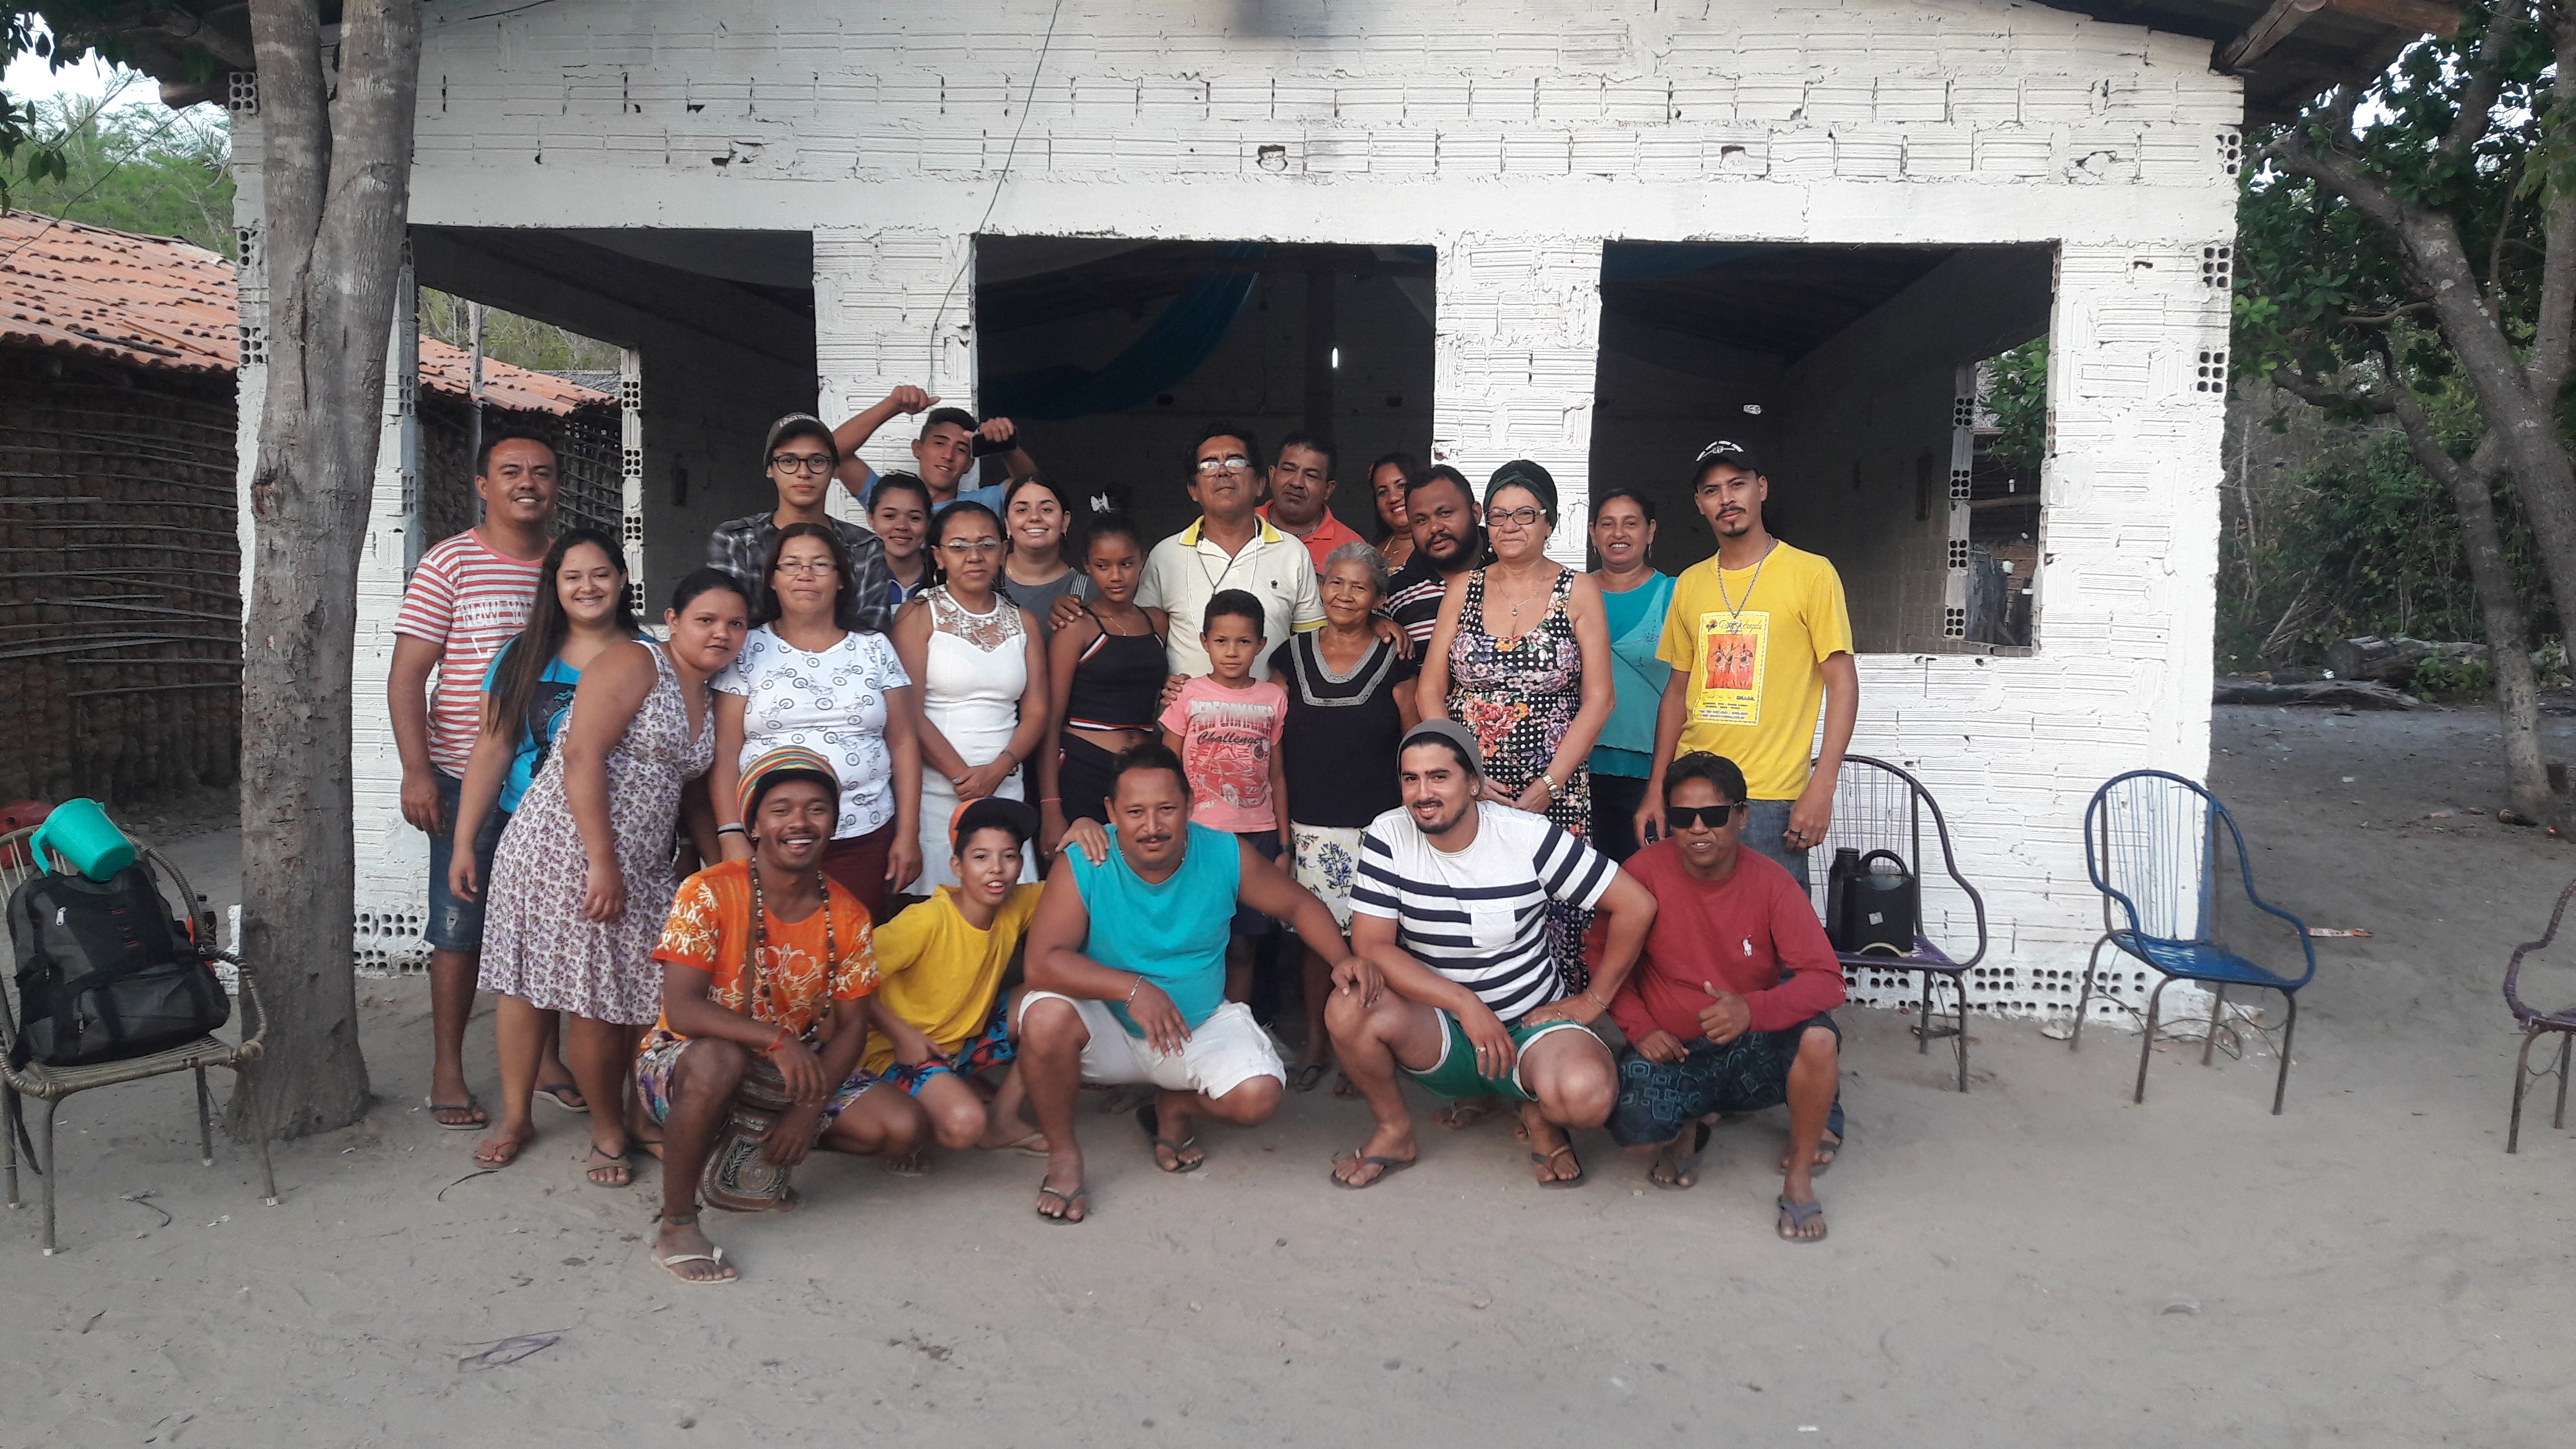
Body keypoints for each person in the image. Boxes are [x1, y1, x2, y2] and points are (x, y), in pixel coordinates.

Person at [470, 570, 749, 1181]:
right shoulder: (636, 662)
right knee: (593, 1001)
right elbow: (581, 753)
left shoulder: (708, 693)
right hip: (567, 850)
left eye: (735, 624)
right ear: (672, 621)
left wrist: (724, 873)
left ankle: (638, 1116)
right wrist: (601, 861)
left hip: (644, 863)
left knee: (645, 998)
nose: (721, 634)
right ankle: (605, 1132)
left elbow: (692, 793)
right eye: (706, 620)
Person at [1016, 743, 1355, 1222]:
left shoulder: (1222, 853)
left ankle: (1174, 1108)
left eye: (1166, 809)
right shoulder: (1086, 859)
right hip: (1107, 1029)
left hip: (1195, 1027)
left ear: (1191, 805)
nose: (1152, 826)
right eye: (1135, 812)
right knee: (1043, 1016)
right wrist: (1133, 989)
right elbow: (1042, 963)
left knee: (1257, 1096)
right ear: (1111, 811)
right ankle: (1065, 1157)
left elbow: (1298, 904)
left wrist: (1341, 960)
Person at [1324, 721, 1656, 1189]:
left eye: (1439, 777)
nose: (1423, 793)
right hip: (1440, 1028)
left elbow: (1636, 905)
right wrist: (1464, 1004)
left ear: (1475, 784)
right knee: (1348, 1004)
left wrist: (1592, 1002)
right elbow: (1372, 946)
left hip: (1529, 1026)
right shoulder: (1389, 833)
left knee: (1586, 1098)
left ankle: (1536, 1109)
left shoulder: (1525, 836)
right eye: (1411, 779)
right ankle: (1395, 1131)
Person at [641, 750, 925, 1284]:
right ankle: (677, 1223)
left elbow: (853, 1026)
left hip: (788, 1066)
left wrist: (806, 1111)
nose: (800, 822)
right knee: (719, 1062)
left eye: (817, 809)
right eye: (781, 810)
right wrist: (776, 1039)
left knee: (902, 1127)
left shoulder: (848, 915)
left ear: (834, 823)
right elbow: (683, 1009)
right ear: (754, 826)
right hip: (687, 1058)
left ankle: (746, 1147)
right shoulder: (708, 891)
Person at [1598, 752, 1842, 1241]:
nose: (1697, 829)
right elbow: (1602, 957)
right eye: (1683, 817)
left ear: (1742, 816)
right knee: (1636, 1138)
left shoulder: (1771, 882)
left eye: (1713, 815)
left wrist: (1752, 1009)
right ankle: (1694, 1123)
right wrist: (1640, 1028)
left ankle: (1798, 1181)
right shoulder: (1643, 872)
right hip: (1674, 1049)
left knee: (1819, 1039)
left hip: (1750, 1046)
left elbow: (1827, 980)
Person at [389, 432, 558, 1133]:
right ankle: (448, 1068)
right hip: (465, 777)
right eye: (511, 471)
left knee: (547, 923)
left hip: (548, 782)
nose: (528, 483)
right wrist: (416, 771)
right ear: (483, 486)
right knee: (459, 928)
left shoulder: (565, 565)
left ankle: (547, 1061)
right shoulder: (450, 563)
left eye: (541, 473)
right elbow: (408, 676)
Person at [444, 528, 642, 1120]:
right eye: (572, 576)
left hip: (620, 841)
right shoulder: (523, 654)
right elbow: (492, 747)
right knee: (527, 971)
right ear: (553, 586)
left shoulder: (648, 654)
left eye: (601, 574)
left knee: (606, 976)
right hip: (530, 834)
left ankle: (619, 1112)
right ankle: (524, 1105)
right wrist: (463, 843)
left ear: (623, 579)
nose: (588, 587)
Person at [1418, 459, 1616, 992]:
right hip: (1469, 785)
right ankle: (1470, 1013)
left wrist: (1548, 784)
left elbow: (1600, 699)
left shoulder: (1578, 590)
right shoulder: (1464, 588)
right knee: (1471, 900)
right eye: (1499, 515)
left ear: (1549, 522)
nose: (1510, 526)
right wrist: (1463, 775)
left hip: (1553, 784)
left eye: (1525, 514)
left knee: (1554, 904)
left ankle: (1554, 1017)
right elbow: (1429, 691)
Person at [1637, 441, 1857, 888]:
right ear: (1700, 504)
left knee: (1773, 928)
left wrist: (1823, 786)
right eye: (1712, 490)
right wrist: (1657, 789)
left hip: (1770, 797)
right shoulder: (1691, 583)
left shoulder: (1811, 573)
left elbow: (1843, 684)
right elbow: (1676, 693)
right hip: (1692, 792)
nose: (1727, 499)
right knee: (1689, 925)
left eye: (1737, 484)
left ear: (1761, 488)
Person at [710, 523, 922, 926]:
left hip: (863, 834)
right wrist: (731, 833)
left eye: (820, 565)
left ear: (841, 579)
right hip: (770, 837)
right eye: (791, 565)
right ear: (772, 579)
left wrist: (908, 833)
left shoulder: (875, 647)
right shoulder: (746, 647)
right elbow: (725, 750)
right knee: (774, 950)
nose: (805, 575)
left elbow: (904, 743)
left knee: (854, 947)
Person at [1269, 540, 1420, 1092]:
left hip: (1380, 827)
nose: (1345, 595)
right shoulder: (1288, 657)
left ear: (1379, 598)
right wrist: (1283, 835)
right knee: (1319, 943)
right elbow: (1273, 747)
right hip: (1311, 825)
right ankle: (1317, 1040)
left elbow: (1413, 740)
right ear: (1321, 586)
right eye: (1336, 582)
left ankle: (1366, 1046)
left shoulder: (1397, 658)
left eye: (1360, 586)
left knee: (1375, 944)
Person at [864, 797, 1049, 1172]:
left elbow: (1073, 882)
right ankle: (901, 1121)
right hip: (897, 1052)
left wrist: (1084, 831)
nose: (996, 869)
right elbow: (843, 978)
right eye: (981, 857)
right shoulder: (926, 921)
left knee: (1050, 1002)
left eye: (1009, 857)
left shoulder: (1016, 903)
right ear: (957, 867)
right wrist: (900, 1034)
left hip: (961, 1045)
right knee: (964, 1124)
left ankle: (1002, 1120)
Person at [894, 502, 1048, 895]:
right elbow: (907, 712)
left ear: (1004, 551)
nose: (975, 556)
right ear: (938, 556)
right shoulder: (918, 614)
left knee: (1005, 908)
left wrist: (998, 770)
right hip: (936, 791)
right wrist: (963, 778)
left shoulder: (1024, 621)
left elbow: (1036, 711)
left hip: (1005, 787)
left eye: (986, 544)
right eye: (959, 546)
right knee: (937, 910)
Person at [1158, 589, 1290, 1005]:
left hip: (1256, 834)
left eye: (1244, 641)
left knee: (1244, 944)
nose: (1232, 652)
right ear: (1204, 642)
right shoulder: (1188, 695)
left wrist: (1284, 845)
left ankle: (1239, 1023)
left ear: (1261, 645)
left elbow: (1277, 774)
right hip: (1197, 836)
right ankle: (1194, 1017)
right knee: (1196, 936)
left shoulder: (1273, 699)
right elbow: (1165, 769)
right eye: (1221, 641)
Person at [1133, 423, 1325, 679]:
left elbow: (1312, 645)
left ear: (1260, 484)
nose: (1223, 471)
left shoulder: (1292, 553)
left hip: (1270, 705)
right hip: (1187, 705)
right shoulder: (1165, 556)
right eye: (1209, 465)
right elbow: (1143, 645)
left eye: (1236, 462)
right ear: (1194, 490)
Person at [1038, 514, 1169, 851]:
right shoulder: (1076, 625)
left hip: (1141, 774)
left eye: (1126, 564)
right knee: (1087, 867)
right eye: (1102, 565)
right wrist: (1051, 807)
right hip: (1084, 767)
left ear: (1142, 561)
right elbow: (1051, 721)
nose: (1115, 576)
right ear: (1087, 566)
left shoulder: (1157, 622)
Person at [706, 414, 897, 634]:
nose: (804, 473)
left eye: (817, 461)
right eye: (789, 461)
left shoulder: (864, 546)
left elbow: (872, 636)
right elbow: (727, 625)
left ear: (835, 469)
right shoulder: (736, 539)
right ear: (770, 469)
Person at [1588, 488, 1675, 862]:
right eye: (1607, 524)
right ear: (1593, 533)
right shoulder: (1570, 593)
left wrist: (1662, 782)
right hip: (1576, 769)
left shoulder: (1675, 594)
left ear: (1650, 531)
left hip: (1650, 774)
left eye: (1631, 523)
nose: (1618, 533)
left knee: (1644, 879)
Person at [835, 392, 1036, 514]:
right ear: (918, 449)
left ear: (969, 464)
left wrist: (1006, 447)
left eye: (961, 449)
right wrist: (892, 405)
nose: (948, 455)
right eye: (940, 443)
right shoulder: (888, 499)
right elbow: (832, 452)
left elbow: (1036, 490)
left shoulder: (982, 505)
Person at [1382, 463, 1486, 651]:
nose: (1435, 528)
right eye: (1421, 520)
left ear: (1476, 513)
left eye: (1445, 513)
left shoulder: (1514, 572)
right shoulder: (1393, 592)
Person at [998, 475, 1094, 641]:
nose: (1034, 517)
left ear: (1065, 522)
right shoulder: (985, 579)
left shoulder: (1088, 590)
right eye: (1022, 510)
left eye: (1047, 510)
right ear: (1007, 524)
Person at [1257, 431, 1365, 575]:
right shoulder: (1240, 526)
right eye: (1288, 470)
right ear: (1272, 475)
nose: (1297, 483)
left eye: (1311, 476)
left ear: (1328, 489)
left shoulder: (1352, 547)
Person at [869, 472, 936, 610]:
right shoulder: (855, 577)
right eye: (890, 516)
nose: (902, 526)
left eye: (915, 518)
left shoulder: (946, 577)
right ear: (871, 518)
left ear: (929, 522)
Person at [1367, 451, 1419, 570]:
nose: (1393, 498)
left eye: (1402, 486)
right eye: (1383, 492)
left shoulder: (1440, 546)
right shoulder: (1371, 552)